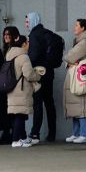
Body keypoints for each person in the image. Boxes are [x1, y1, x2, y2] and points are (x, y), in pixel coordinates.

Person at [26, 12, 63, 143]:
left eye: (27, 21)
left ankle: (35, 133)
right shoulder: (46, 33)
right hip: (49, 73)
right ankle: (52, 133)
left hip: (38, 74)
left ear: (33, 21)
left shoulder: (34, 35)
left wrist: (26, 62)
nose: (26, 24)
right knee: (49, 103)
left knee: (37, 103)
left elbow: (34, 55)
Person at [2, 27, 40, 147]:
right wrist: (38, 76)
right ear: (23, 44)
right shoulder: (24, 57)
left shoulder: (9, 55)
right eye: (27, 43)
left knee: (18, 115)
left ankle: (22, 138)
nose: (28, 45)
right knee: (20, 115)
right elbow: (29, 74)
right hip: (21, 90)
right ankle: (16, 140)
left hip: (12, 89)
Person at [63, 19, 86, 143]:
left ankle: (85, 134)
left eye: (77, 25)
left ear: (83, 28)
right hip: (79, 77)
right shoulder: (81, 41)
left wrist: (68, 60)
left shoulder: (84, 42)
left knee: (81, 105)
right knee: (76, 106)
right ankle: (76, 133)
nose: (74, 27)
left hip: (81, 78)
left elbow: (70, 56)